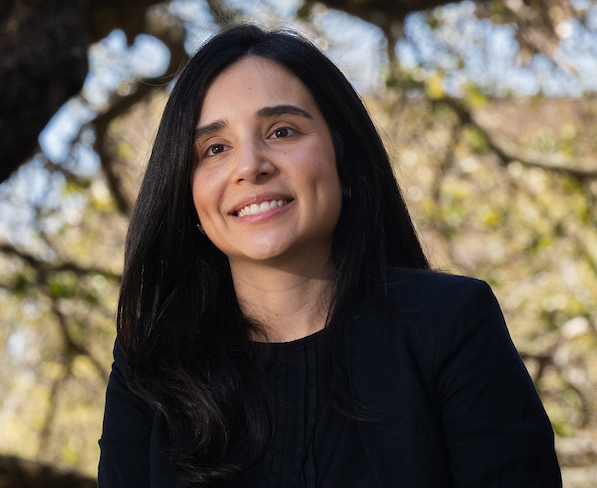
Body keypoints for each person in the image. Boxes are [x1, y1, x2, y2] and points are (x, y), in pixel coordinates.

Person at [97, 25, 560, 487]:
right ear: (185, 193)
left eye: (282, 131)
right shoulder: (151, 364)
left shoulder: (449, 325)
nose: (250, 166)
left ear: (346, 163)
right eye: (215, 148)